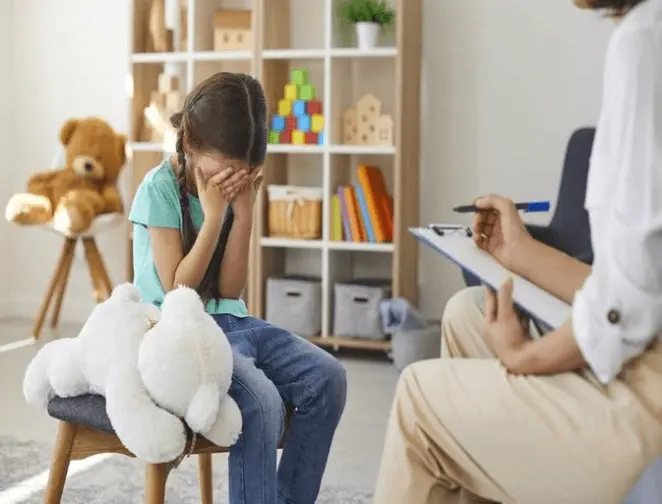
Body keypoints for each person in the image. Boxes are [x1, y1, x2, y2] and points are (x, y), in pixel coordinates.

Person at [373, 0, 662, 503]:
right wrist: (520, 252)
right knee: (466, 312)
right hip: (643, 349)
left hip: (641, 393)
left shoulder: (645, 41)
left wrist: (525, 356)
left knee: (418, 396)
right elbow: (636, 283)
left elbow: (626, 309)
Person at [129, 72, 347, 504]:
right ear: (189, 144)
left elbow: (229, 289)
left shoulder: (229, 191)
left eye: (242, 174)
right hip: (177, 333)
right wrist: (213, 218)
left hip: (231, 323)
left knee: (328, 378)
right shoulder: (159, 189)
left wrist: (242, 215)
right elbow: (178, 293)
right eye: (222, 171)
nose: (229, 181)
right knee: (262, 402)